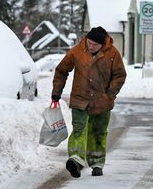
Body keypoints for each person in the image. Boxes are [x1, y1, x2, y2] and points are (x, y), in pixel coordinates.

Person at [51, 26, 127, 178]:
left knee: (98, 133)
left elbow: (120, 75)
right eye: (89, 42)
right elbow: (61, 71)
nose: (90, 46)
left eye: (94, 45)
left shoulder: (112, 53)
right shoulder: (78, 50)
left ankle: (97, 163)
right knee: (79, 129)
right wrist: (56, 93)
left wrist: (109, 94)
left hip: (102, 102)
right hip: (80, 99)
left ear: (102, 45)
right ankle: (76, 160)